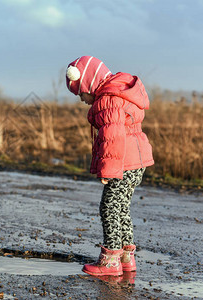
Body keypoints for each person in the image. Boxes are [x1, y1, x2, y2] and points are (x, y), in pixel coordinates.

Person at [65, 56, 154, 276]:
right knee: (121, 208)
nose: (82, 99)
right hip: (135, 161)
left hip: (122, 163)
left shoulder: (108, 100)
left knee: (108, 208)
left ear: (89, 84)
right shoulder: (118, 93)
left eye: (81, 93)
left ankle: (110, 261)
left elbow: (112, 137)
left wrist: (108, 169)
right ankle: (126, 257)